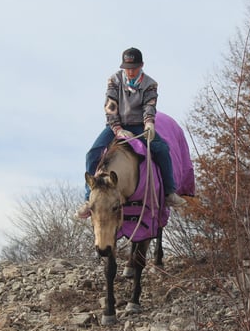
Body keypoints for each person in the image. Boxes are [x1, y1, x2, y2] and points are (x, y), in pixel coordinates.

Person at [76, 47, 186, 219]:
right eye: (127, 67)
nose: (130, 71)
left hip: (139, 125)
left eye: (134, 67)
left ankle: (169, 192)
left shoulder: (150, 84)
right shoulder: (114, 80)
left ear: (141, 65)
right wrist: (118, 129)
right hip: (116, 125)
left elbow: (149, 106)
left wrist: (149, 123)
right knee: (92, 153)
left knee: (162, 149)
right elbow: (110, 107)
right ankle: (87, 199)